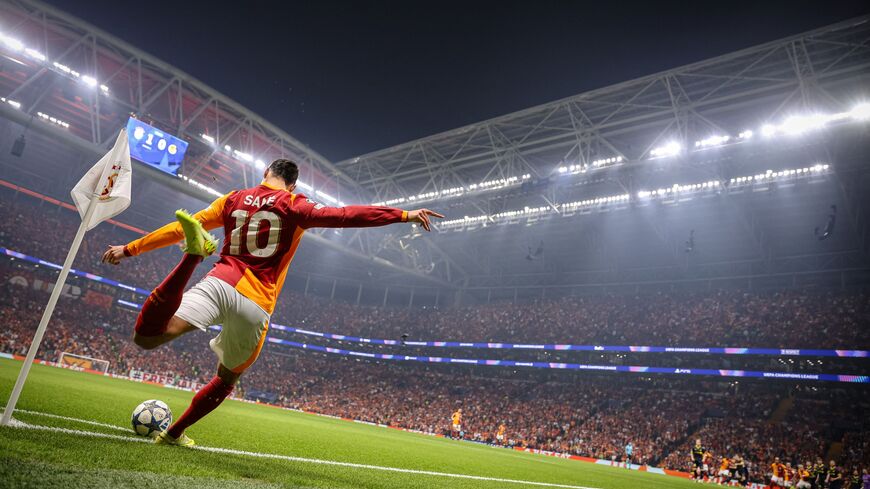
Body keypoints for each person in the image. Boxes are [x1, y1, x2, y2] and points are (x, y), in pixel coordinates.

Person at [102, 159, 443, 446]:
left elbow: (179, 227)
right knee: (225, 380)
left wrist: (130, 249)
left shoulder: (234, 198)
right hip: (257, 303)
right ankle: (175, 433)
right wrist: (403, 214)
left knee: (148, 337)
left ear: (265, 172)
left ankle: (192, 259)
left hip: (220, 281)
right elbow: (344, 215)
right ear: (292, 185)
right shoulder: (295, 205)